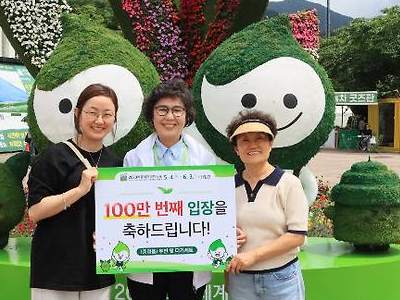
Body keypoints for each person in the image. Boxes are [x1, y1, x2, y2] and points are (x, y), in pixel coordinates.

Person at [123, 79, 218, 300]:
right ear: (152, 115)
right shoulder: (134, 158)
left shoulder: (204, 159)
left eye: (177, 110)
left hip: (190, 256)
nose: (169, 117)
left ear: (186, 116)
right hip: (146, 256)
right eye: (162, 110)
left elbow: (212, 208)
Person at [27, 84, 122, 300]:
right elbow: (35, 212)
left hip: (98, 268)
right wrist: (79, 190)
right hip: (55, 268)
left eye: (107, 115)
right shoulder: (53, 157)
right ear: (78, 114)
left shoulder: (115, 163)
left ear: (114, 119)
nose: (99, 121)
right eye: (92, 113)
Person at [225, 110, 308, 300]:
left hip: (281, 278)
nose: (252, 145)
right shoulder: (227, 186)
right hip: (240, 278)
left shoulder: (288, 183)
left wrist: (253, 255)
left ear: (271, 143)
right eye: (244, 140)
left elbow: (297, 236)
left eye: (260, 138)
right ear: (236, 148)